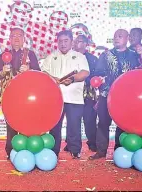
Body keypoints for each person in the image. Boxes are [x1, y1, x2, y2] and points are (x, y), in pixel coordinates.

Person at [89, 29, 140, 160]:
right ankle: (101, 151)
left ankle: (119, 150)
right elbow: (98, 73)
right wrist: (101, 79)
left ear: (127, 38)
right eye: (115, 36)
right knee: (103, 123)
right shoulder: (106, 55)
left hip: (126, 96)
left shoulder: (134, 55)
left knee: (123, 124)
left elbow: (138, 75)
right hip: (107, 95)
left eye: (120, 36)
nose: (116, 38)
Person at [41, 30, 90, 159]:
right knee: (54, 126)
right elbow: (44, 72)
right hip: (55, 98)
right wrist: (52, 78)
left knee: (74, 125)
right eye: (60, 41)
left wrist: (73, 79)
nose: (63, 44)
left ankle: (75, 150)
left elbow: (85, 72)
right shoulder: (51, 57)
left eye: (66, 41)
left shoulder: (79, 56)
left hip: (74, 97)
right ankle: (53, 150)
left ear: (71, 41)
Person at [0, 27, 40, 159]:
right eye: (13, 35)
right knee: (11, 122)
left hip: (26, 95)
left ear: (24, 39)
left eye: (19, 35)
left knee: (27, 120)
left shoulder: (29, 54)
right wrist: (3, 71)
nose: (16, 38)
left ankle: (29, 147)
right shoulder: (4, 55)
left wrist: (29, 69)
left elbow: (38, 72)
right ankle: (11, 150)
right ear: (9, 39)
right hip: (10, 94)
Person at [73, 35, 98, 152]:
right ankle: (72, 144)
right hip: (73, 93)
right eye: (76, 41)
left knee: (89, 119)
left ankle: (93, 142)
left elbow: (96, 75)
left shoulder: (92, 59)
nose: (77, 43)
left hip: (88, 94)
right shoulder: (70, 57)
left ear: (86, 44)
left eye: (80, 41)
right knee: (73, 120)